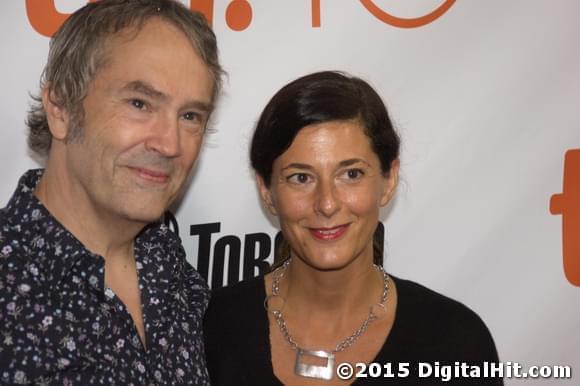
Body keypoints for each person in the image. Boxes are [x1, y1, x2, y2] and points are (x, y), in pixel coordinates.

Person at [204, 71, 502, 385]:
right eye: (301, 177)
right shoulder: (213, 327)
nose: (327, 203)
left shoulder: (455, 342)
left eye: (351, 174)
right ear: (267, 191)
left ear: (388, 180)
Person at [0, 0, 222, 384]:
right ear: (61, 109)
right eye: (140, 103)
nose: (170, 144)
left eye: (190, 116)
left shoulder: (168, 266)